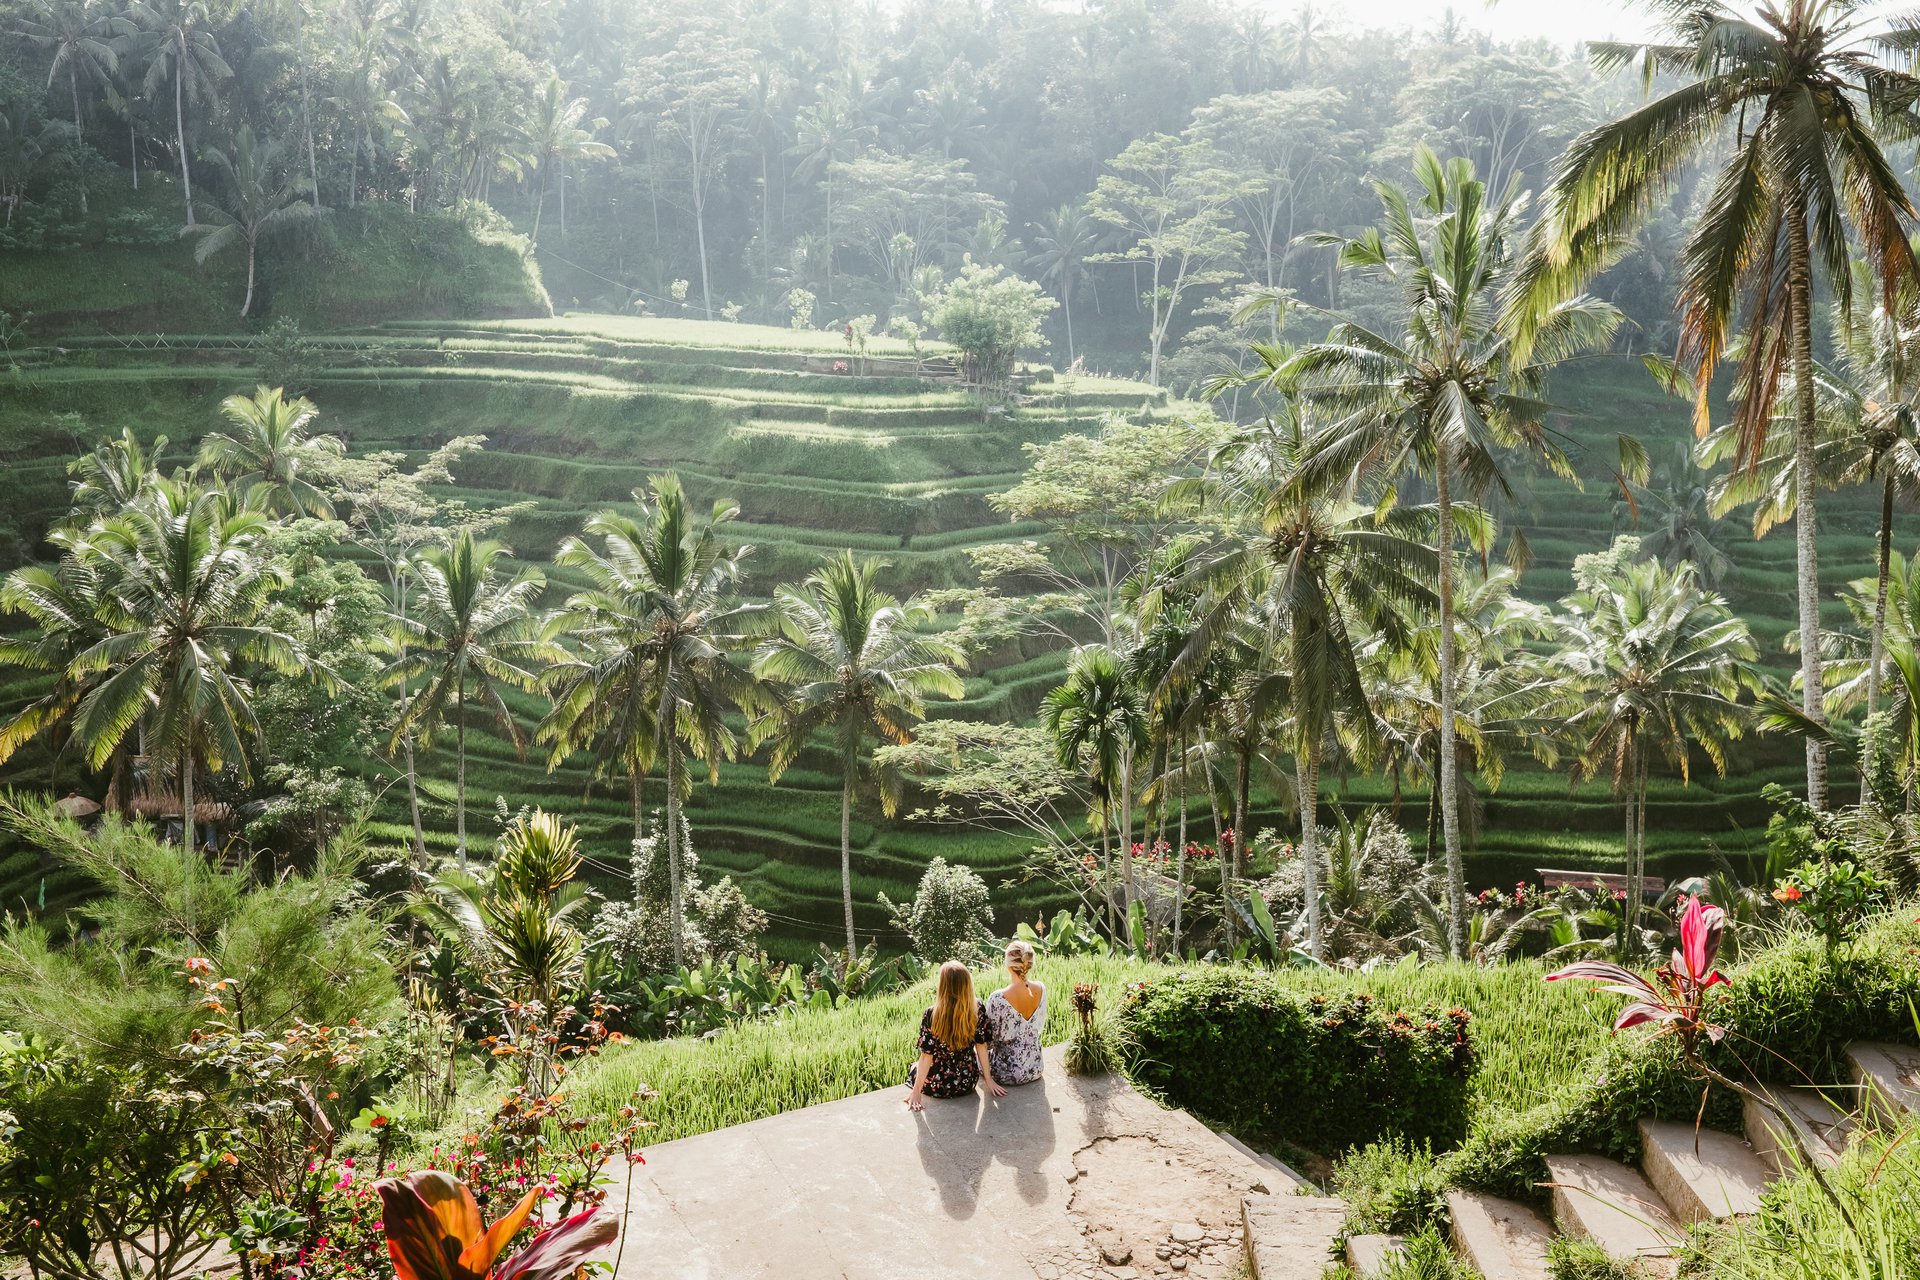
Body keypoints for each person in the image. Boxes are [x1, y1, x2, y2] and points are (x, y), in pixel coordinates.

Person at [905, 960, 1006, 1111]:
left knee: (915, 1066)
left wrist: (916, 1092)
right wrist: (989, 1080)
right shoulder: (977, 1008)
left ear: (943, 986)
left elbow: (927, 1056)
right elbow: (981, 1046)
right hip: (967, 1082)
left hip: (937, 1086)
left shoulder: (932, 1014)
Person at [985, 940, 1046, 1086]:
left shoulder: (997, 998)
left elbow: (988, 1042)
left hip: (1006, 1073)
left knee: (978, 1053)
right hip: (1035, 1067)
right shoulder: (1041, 988)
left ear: (1008, 964)